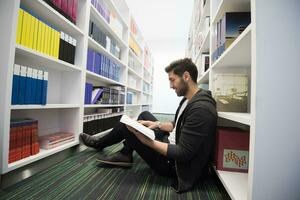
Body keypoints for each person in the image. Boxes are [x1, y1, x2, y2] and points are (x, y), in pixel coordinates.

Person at [80, 58, 217, 193]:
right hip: (169, 141)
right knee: (144, 115)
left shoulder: (201, 109)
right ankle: (126, 153)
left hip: (173, 165)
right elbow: (178, 124)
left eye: (172, 80)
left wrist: (148, 142)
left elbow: (183, 153)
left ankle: (100, 144)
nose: (170, 85)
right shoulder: (189, 100)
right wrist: (156, 124)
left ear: (186, 76)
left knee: (125, 126)